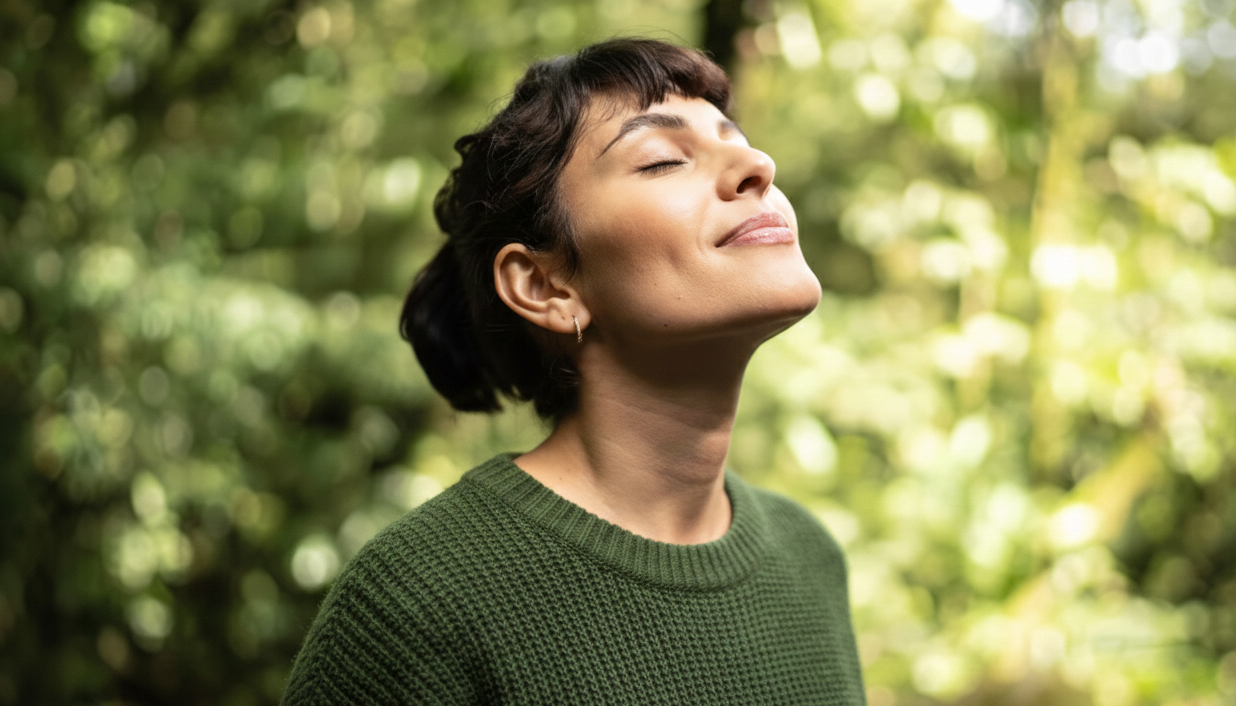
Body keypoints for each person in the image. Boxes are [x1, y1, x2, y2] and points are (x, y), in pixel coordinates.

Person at [282, 38, 866, 705]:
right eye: (664, 159)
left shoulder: (809, 559)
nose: (757, 165)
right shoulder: (420, 602)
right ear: (546, 286)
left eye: (738, 141)